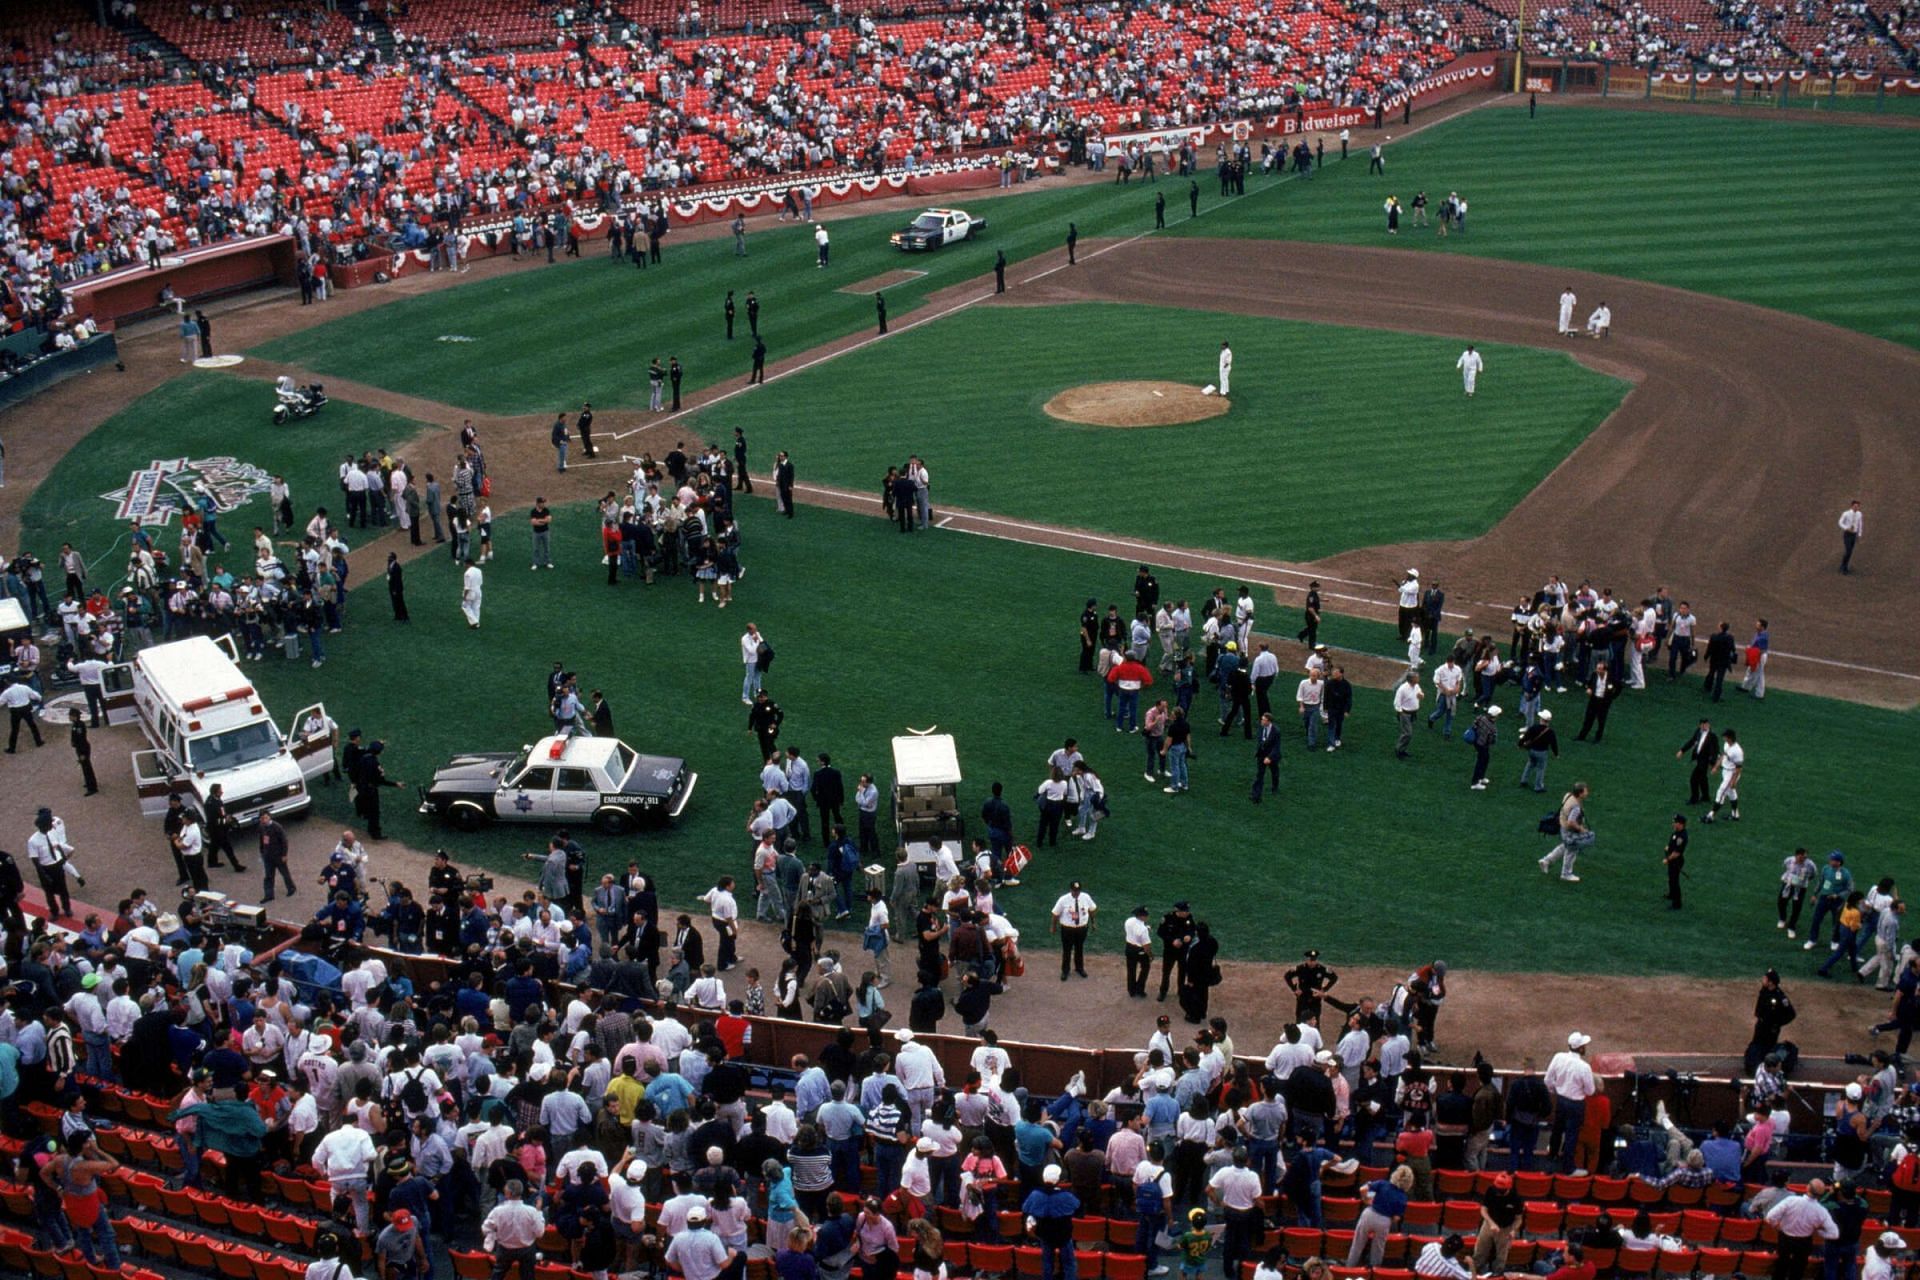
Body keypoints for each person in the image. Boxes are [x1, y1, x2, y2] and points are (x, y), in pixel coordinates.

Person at [1544, 1032, 1596, 1173]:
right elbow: (1590, 1091)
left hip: (1561, 1100)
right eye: (1583, 1046)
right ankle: (1568, 1168)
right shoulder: (1584, 1067)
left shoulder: (1558, 1057)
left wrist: (1556, 1090)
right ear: (1579, 1048)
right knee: (1571, 1135)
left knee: (1557, 1131)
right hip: (1576, 1104)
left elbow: (1548, 1080)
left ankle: (1552, 1157)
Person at [1538, 783, 1592, 883]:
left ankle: (1546, 861)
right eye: (1585, 791)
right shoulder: (1576, 807)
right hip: (1570, 830)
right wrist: (1581, 829)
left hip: (1562, 827)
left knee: (1565, 846)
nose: (1587, 792)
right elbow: (1571, 822)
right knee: (1571, 850)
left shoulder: (1568, 795)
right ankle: (1566, 874)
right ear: (1580, 794)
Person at [1051, 883, 1095, 982]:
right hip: (1067, 929)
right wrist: (1053, 927)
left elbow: (1091, 910)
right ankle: (1065, 971)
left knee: (1079, 949)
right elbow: (1055, 914)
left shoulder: (1086, 897)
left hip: (1081, 928)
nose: (1076, 893)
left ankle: (1079, 968)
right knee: (1067, 950)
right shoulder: (1063, 899)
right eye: (1074, 891)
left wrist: (1093, 923)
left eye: (1078, 891)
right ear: (1071, 890)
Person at [1662, 815, 1688, 909]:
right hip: (1672, 860)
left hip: (1675, 861)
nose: (1673, 824)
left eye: (1675, 822)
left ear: (1680, 824)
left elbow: (1676, 853)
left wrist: (1667, 859)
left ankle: (1677, 904)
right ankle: (1672, 894)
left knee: (1674, 882)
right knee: (1671, 879)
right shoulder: (1676, 832)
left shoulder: (1682, 837)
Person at [1838, 501, 1863, 573]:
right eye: (1855, 506)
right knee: (1848, 550)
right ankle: (1844, 567)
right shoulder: (1846, 513)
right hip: (1847, 534)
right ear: (1852, 506)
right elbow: (1840, 522)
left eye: (1858, 506)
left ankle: (1844, 565)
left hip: (1854, 535)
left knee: (1850, 551)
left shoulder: (1859, 514)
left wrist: (1859, 534)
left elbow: (1860, 524)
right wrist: (1846, 528)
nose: (1856, 507)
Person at [461, 559, 483, 628]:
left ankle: (474, 622)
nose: (464, 565)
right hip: (478, 590)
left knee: (465, 606)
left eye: (465, 564)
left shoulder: (467, 573)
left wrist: (464, 597)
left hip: (471, 592)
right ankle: (477, 624)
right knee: (476, 607)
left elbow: (467, 587)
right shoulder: (479, 570)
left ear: (468, 564)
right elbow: (481, 582)